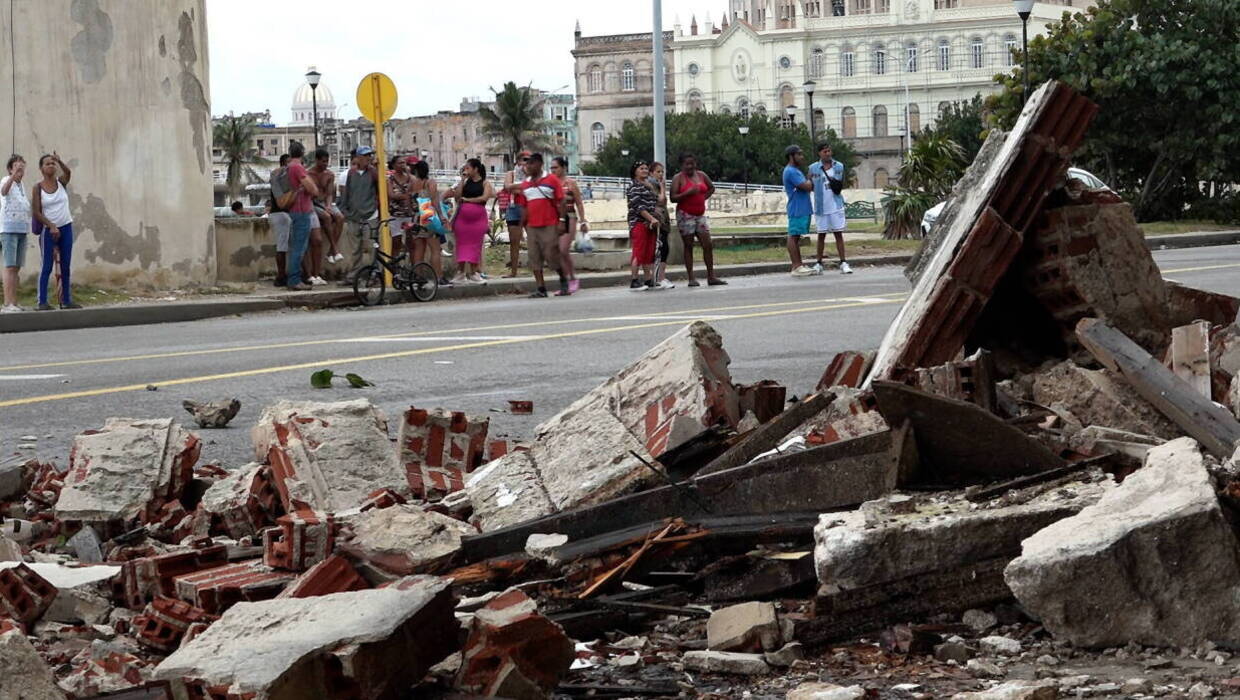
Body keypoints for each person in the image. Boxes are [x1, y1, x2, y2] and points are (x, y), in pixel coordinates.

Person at [510, 153, 565, 298]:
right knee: (534, 257)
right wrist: (522, 227)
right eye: (526, 164)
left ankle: (563, 278)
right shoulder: (525, 184)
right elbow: (524, 206)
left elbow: (561, 201)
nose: (527, 167)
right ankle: (541, 287)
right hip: (532, 226)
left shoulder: (551, 179)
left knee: (551, 255)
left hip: (549, 224)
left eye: (531, 164)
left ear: (539, 164)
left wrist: (562, 221)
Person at [669, 153, 725, 287]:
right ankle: (691, 277)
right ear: (682, 165)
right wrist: (687, 193)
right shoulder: (678, 178)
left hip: (700, 214)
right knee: (689, 246)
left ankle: (711, 276)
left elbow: (711, 187)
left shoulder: (701, 175)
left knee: (708, 244)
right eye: (686, 164)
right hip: (685, 214)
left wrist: (702, 197)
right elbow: (673, 197)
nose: (690, 166)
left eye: (692, 163)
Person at [31, 153, 76, 310]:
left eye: (52, 163)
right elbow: (36, 212)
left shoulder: (61, 183)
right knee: (47, 266)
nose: (51, 166)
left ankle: (66, 300)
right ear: (41, 169)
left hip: (66, 226)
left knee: (65, 265)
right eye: (47, 164)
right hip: (48, 230)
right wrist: (51, 225)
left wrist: (59, 160)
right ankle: (42, 301)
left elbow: (68, 173)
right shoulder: (38, 188)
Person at [444, 158, 493, 284]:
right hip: (463, 219)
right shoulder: (465, 182)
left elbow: (484, 197)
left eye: (468, 168)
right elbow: (457, 197)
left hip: (478, 219)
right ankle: (460, 273)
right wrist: (461, 180)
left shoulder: (485, 183)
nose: (466, 170)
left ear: (475, 169)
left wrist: (469, 200)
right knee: (461, 245)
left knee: (475, 245)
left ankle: (474, 272)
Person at [809, 143, 852, 274]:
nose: (827, 154)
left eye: (829, 151)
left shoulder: (839, 166)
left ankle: (843, 261)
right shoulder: (813, 168)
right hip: (821, 206)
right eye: (824, 151)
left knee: (838, 233)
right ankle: (819, 262)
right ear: (819, 153)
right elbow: (810, 183)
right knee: (821, 234)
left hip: (835, 205)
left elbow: (841, 183)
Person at [338, 146, 378, 284]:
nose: (369, 158)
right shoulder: (350, 173)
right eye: (365, 156)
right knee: (355, 248)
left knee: (372, 247)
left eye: (370, 155)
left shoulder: (373, 173)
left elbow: (379, 191)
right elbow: (346, 193)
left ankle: (373, 275)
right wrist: (345, 211)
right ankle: (354, 275)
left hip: (370, 214)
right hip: (354, 215)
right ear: (358, 158)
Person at [284, 141, 321, 291]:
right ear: (303, 152)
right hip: (301, 210)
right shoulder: (298, 168)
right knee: (299, 248)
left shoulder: (288, 167)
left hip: (293, 210)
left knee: (297, 247)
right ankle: (294, 280)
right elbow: (313, 190)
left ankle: (295, 278)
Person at [549, 157, 587, 295]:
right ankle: (565, 281)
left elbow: (579, 203)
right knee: (556, 252)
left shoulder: (570, 183)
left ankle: (572, 278)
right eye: (551, 168)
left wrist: (583, 221)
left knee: (563, 249)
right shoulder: (550, 184)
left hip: (569, 217)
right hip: (553, 219)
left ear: (563, 168)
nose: (553, 170)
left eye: (556, 167)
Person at [409, 160, 447, 285]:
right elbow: (434, 200)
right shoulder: (430, 182)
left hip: (416, 217)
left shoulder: (412, 184)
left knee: (419, 249)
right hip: (428, 217)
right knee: (435, 249)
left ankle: (418, 276)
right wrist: (441, 216)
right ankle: (439, 276)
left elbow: (408, 200)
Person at [1, 155, 31, 312]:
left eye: (23, 168)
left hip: (22, 229)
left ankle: (14, 301)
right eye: (18, 168)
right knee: (9, 266)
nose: (21, 171)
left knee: (17, 267)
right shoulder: (7, 180)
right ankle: (7, 304)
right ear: (10, 169)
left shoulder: (22, 185)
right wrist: (13, 176)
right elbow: (3, 192)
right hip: (9, 229)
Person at [308, 148, 340, 284]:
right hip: (313, 203)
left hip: (325, 202)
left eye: (327, 161)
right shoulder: (309, 174)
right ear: (316, 160)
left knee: (340, 217)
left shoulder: (330, 175)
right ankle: (334, 248)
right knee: (326, 217)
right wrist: (324, 208)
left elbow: (329, 194)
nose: (325, 164)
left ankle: (332, 251)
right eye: (323, 161)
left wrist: (328, 205)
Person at [627, 160, 660, 291]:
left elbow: (656, 202)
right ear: (635, 171)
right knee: (639, 252)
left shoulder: (648, 185)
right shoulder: (634, 187)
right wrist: (651, 218)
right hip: (639, 222)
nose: (645, 171)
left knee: (649, 252)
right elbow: (638, 206)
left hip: (650, 224)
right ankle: (634, 280)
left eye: (646, 168)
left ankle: (648, 279)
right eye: (641, 168)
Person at [782, 145, 815, 277]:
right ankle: (796, 266)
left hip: (802, 207)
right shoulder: (791, 171)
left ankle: (799, 265)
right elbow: (806, 186)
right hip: (797, 208)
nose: (802, 157)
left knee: (796, 237)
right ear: (792, 156)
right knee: (793, 236)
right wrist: (810, 178)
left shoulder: (795, 170)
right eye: (799, 154)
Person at [646, 161, 675, 290]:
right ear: (651, 173)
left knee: (664, 249)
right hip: (657, 220)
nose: (661, 174)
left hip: (663, 220)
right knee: (660, 249)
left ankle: (660, 276)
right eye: (658, 172)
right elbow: (661, 200)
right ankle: (658, 277)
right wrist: (663, 187)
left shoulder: (656, 184)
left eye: (662, 172)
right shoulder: (651, 184)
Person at [501, 151, 530, 277]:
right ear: (518, 161)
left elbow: (531, 187)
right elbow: (508, 187)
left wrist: (517, 187)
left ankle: (537, 269)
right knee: (514, 242)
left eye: (529, 160)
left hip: (529, 208)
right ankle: (513, 272)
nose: (526, 162)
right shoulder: (511, 173)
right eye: (524, 159)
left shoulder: (532, 175)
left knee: (534, 240)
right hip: (514, 207)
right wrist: (522, 187)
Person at [267, 154, 292, 287]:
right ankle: (281, 275)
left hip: (280, 214)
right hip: (280, 213)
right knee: (282, 247)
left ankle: (283, 274)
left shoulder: (279, 176)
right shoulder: (279, 176)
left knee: (283, 246)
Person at [387, 155, 417, 257]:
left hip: (408, 214)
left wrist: (408, 173)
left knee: (411, 242)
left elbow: (414, 187)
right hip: (395, 214)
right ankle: (393, 267)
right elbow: (391, 195)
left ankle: (414, 268)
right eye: (400, 163)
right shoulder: (390, 179)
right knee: (396, 242)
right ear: (394, 165)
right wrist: (404, 196)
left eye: (404, 162)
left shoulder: (410, 178)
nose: (402, 165)